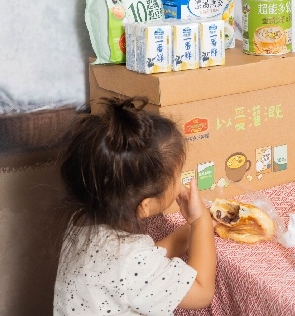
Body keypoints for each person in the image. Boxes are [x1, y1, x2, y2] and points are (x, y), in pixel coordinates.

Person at [53, 97, 216, 315]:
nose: (181, 185)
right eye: (177, 176)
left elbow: (140, 265)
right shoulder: (131, 263)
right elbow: (202, 292)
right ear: (145, 206)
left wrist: (191, 233)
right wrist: (200, 220)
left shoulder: (82, 218)